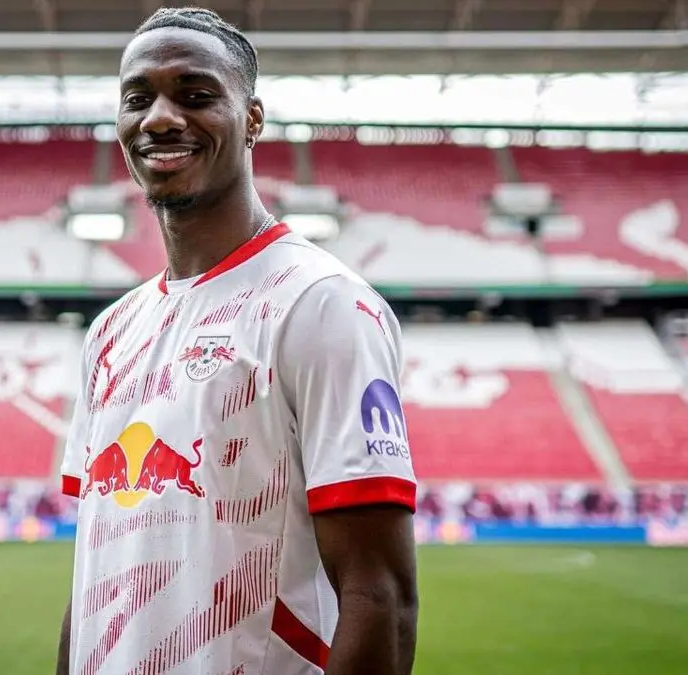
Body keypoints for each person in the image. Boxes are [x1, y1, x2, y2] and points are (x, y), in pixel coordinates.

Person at [56, 7, 418, 674]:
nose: (159, 118)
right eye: (137, 98)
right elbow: (90, 584)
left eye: (195, 95)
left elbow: (380, 597)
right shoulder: (109, 332)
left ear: (252, 120)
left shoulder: (321, 303)